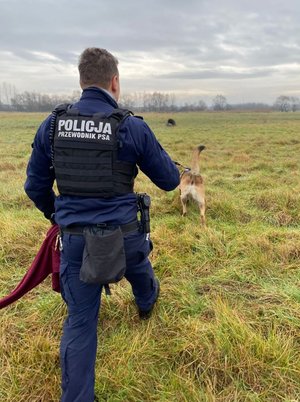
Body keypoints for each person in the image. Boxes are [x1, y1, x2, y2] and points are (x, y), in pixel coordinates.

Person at [24, 47, 180, 402]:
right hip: (125, 236)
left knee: (80, 322)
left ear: (81, 81)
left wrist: (58, 217)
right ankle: (146, 302)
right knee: (139, 264)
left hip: (76, 243)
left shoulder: (51, 126)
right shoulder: (132, 125)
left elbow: (34, 186)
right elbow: (170, 180)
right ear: (115, 82)